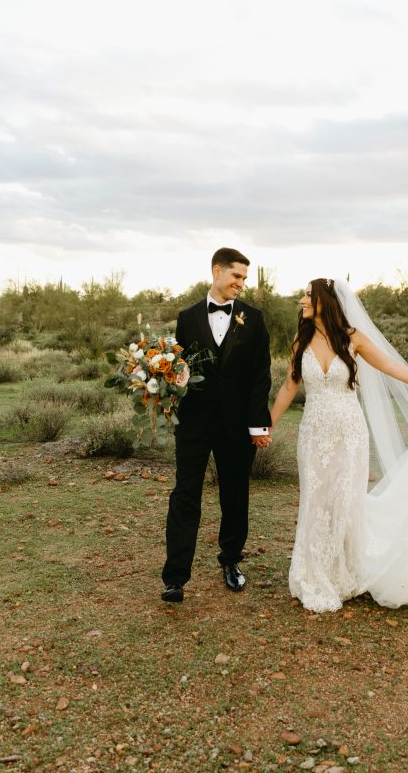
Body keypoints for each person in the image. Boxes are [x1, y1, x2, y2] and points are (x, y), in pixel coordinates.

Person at [270, 278, 408, 614]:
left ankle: (345, 571)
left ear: (324, 301)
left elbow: (391, 367)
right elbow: (290, 385)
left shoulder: (353, 338)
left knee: (346, 500)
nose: (301, 299)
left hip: (349, 430)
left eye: (307, 294)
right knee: (316, 500)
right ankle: (315, 575)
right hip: (314, 432)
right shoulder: (301, 339)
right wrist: (267, 424)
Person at [161, 248, 272, 602]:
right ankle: (175, 577)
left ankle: (231, 562)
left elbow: (260, 375)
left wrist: (258, 423)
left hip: (238, 425)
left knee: (235, 494)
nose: (241, 284)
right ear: (216, 271)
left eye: (244, 278)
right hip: (194, 423)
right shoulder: (187, 316)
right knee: (185, 494)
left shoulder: (253, 318)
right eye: (236, 276)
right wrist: (167, 394)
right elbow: (180, 368)